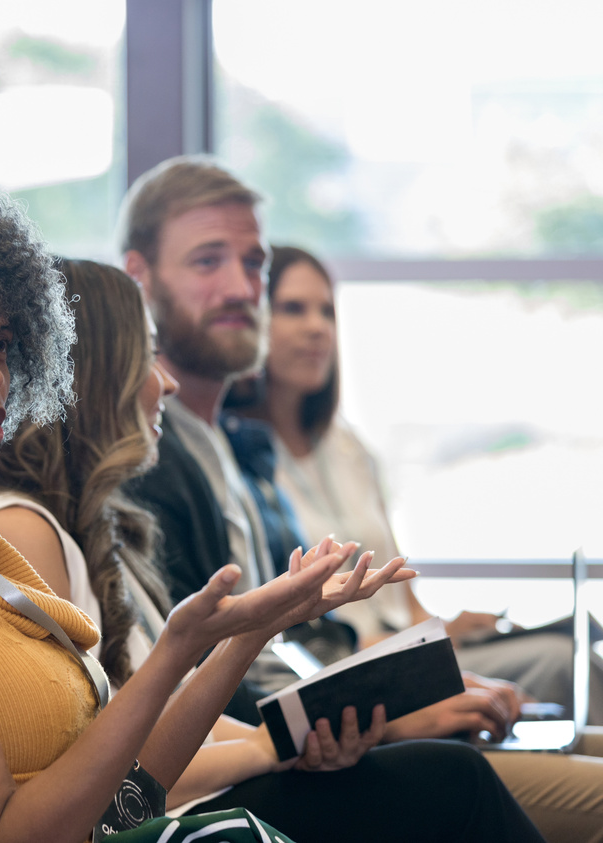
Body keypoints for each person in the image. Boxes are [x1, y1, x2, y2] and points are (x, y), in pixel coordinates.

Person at [0, 190, 411, 843]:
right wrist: (185, 653)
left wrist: (238, 636)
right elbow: (2, 834)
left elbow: (123, 801)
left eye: (4, 344)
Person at [0, 257, 545, 841]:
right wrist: (270, 740)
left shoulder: (92, 523)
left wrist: (279, 705)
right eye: (148, 356)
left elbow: (164, 733)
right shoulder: (23, 528)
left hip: (190, 796)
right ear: (91, 378)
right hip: (174, 814)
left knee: (453, 770)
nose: (168, 382)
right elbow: (106, 790)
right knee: (455, 779)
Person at [118, 156, 603, 843]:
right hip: (228, 777)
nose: (239, 287)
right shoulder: (154, 461)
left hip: (289, 739)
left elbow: (267, 657)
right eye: (207, 261)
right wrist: (380, 712)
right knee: (494, 777)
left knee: (572, 731)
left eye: (254, 264)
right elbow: (197, 685)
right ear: (139, 276)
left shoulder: (224, 450)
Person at [235, 243, 603, 723]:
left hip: (402, 644)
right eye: (292, 309)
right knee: (559, 662)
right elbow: (293, 638)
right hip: (345, 659)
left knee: (576, 638)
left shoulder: (346, 448)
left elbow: (404, 600)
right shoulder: (241, 462)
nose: (316, 327)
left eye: (326, 310)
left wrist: (448, 627)